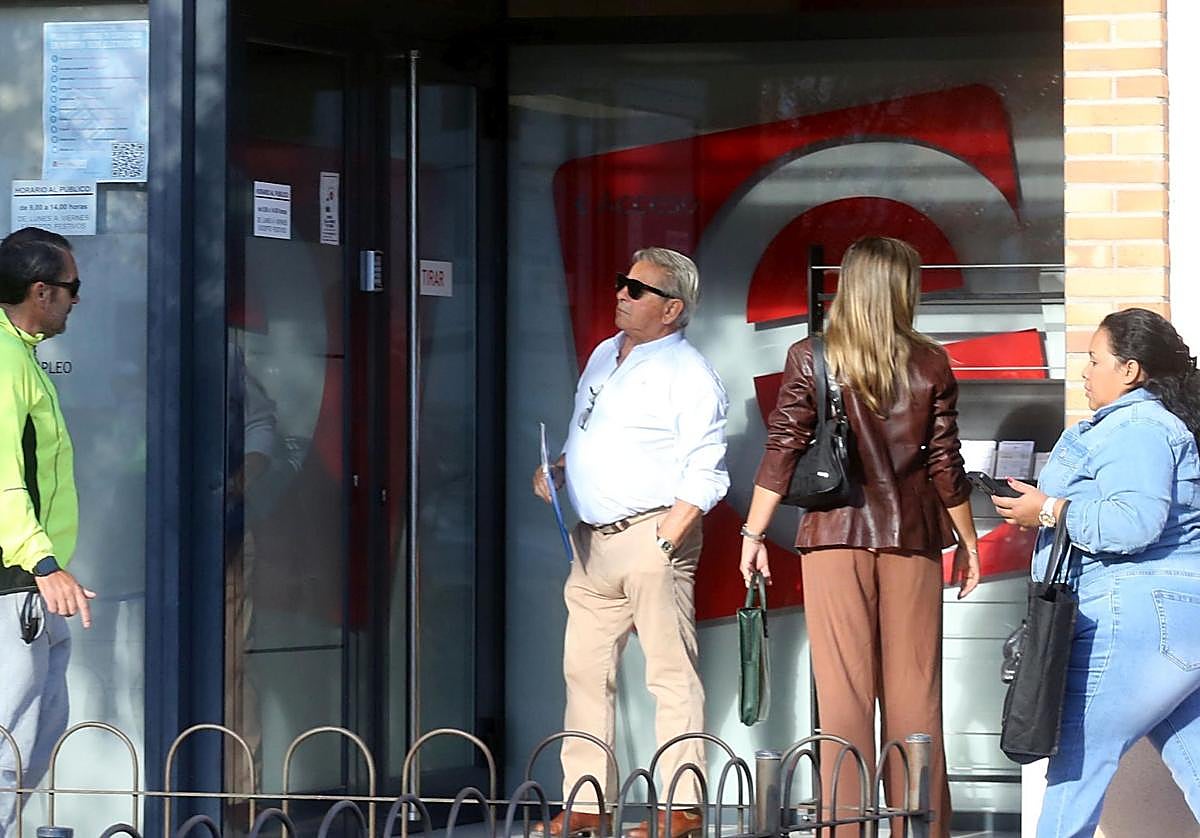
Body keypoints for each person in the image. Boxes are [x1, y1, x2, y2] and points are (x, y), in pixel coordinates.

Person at [738, 236, 980, 837]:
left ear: (849, 286)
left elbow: (784, 446)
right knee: (916, 696)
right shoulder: (931, 363)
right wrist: (970, 543)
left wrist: (754, 533)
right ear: (903, 289)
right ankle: (919, 828)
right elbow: (944, 465)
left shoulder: (811, 355)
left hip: (834, 538)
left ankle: (843, 829)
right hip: (913, 540)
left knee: (843, 697)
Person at [531, 247, 729, 838]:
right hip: (591, 541)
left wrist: (667, 539)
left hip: (651, 534)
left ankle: (681, 809)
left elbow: (707, 469)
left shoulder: (689, 372)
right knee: (584, 673)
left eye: (637, 289)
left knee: (669, 674)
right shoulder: (602, 354)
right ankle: (588, 804)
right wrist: (562, 468)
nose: (621, 293)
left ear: (671, 310)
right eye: (622, 282)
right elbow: (594, 430)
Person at [991, 307, 1200, 837]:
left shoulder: (1135, 427)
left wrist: (1050, 510)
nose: (1084, 371)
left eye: (1094, 359)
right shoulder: (1159, 425)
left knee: (1076, 769)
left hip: (1133, 618)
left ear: (1130, 371)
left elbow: (1134, 523)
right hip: (1177, 621)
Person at [0, 230, 93, 836]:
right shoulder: (5, 362)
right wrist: (41, 562)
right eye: (71, 289)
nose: (75, 301)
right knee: (11, 741)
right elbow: (3, 475)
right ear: (41, 291)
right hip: (17, 582)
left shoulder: (18, 352)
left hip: (33, 582)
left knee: (37, 730)